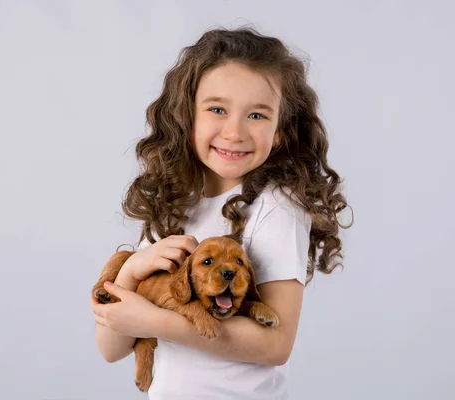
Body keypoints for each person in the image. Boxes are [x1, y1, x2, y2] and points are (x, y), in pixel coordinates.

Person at [91, 26, 352, 399]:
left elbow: (275, 344)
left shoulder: (277, 205)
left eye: (257, 116)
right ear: (187, 117)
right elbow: (111, 348)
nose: (234, 132)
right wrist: (131, 270)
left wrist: (155, 321)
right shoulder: (176, 203)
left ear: (279, 131)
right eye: (217, 109)